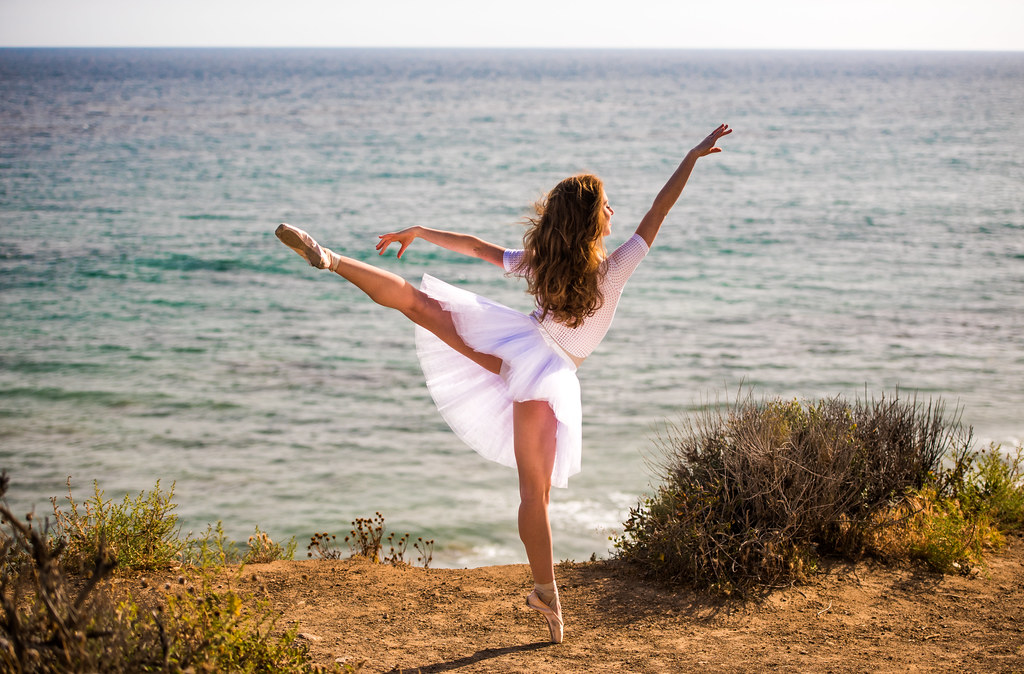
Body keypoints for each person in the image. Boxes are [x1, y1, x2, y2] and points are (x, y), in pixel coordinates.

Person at [275, 124, 731, 643]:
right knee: (533, 495)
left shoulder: (546, 259)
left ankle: (332, 260)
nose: (614, 212)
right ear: (591, 219)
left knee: (420, 305)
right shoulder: (615, 267)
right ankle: (546, 593)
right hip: (546, 370)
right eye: (607, 205)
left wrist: (420, 232)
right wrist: (690, 159)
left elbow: (474, 248)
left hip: (514, 347)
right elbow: (660, 210)